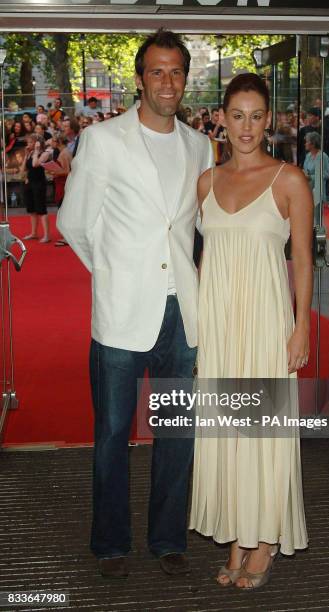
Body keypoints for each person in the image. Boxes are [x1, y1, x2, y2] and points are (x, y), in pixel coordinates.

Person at [57, 29, 213, 579]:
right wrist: (115, 272)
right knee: (113, 435)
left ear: (184, 78)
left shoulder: (201, 145)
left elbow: (192, 228)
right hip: (122, 312)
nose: (167, 82)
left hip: (182, 314)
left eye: (176, 72)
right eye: (157, 72)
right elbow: (72, 223)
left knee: (178, 434)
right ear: (139, 79)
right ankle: (111, 543)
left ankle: (169, 538)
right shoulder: (104, 140)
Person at [189, 73, 313, 589]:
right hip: (219, 326)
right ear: (221, 117)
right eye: (236, 115)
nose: (246, 127)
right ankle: (239, 534)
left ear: (270, 119)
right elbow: (200, 260)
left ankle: (264, 542)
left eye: (256, 116)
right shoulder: (206, 182)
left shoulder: (289, 180)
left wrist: (301, 326)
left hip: (265, 322)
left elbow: (303, 259)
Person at [21, 134, 51, 243]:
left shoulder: (45, 153)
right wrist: (25, 155)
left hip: (39, 184)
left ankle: (47, 235)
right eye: (28, 142)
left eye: (30, 142)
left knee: (41, 209)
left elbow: (35, 164)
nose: (28, 144)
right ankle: (34, 233)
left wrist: (37, 150)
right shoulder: (30, 153)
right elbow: (23, 169)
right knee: (31, 209)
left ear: (37, 143)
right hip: (30, 183)